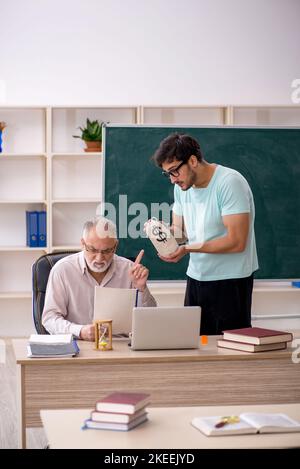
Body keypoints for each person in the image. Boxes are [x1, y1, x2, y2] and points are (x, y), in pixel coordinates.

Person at [152, 133, 258, 335]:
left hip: (231, 281)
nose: (172, 180)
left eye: (174, 171)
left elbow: (236, 242)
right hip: (196, 277)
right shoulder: (182, 188)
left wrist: (187, 248)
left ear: (192, 160)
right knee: (195, 345)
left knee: (231, 352)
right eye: (168, 174)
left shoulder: (229, 182)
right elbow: (180, 232)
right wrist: (160, 233)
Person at [42, 216, 156, 340]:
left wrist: (142, 289)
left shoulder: (129, 270)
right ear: (82, 243)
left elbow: (150, 319)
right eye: (93, 250)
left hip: (121, 347)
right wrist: (80, 331)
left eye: (107, 251)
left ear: (116, 246)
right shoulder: (63, 270)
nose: (99, 258)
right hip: (78, 345)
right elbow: (50, 318)